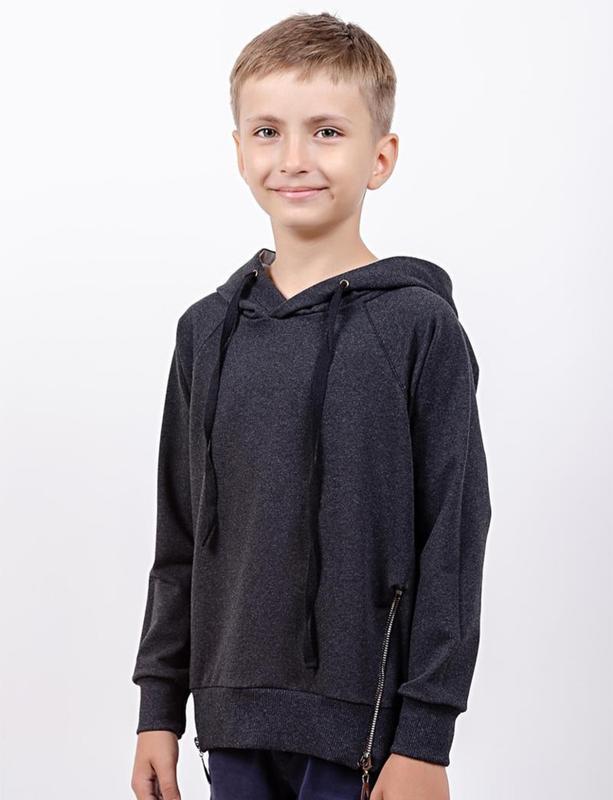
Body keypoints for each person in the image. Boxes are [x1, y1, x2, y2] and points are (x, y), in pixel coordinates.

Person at [130, 11, 492, 800]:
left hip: (365, 733)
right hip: (229, 720)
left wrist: (425, 737)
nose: (293, 159)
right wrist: (158, 709)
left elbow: (453, 539)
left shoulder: (417, 326)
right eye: (267, 132)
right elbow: (180, 533)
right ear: (239, 150)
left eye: (327, 132)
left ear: (379, 157)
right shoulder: (206, 331)